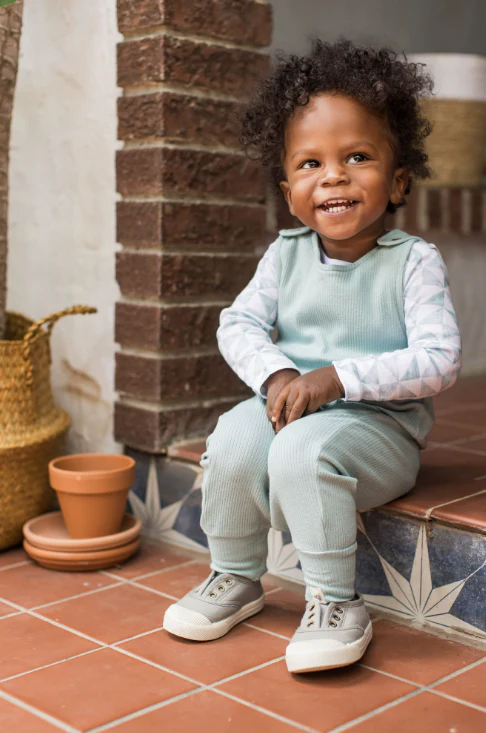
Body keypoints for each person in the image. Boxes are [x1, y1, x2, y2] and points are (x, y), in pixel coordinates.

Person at [163, 39, 461, 674]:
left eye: (358, 156)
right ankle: (235, 576)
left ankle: (333, 599)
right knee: (235, 436)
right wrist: (278, 373)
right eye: (310, 163)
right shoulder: (284, 254)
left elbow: (439, 360)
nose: (333, 175)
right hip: (290, 407)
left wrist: (337, 379)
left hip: (379, 433)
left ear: (399, 179)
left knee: (303, 449)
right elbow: (237, 322)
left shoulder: (413, 262)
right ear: (288, 189)